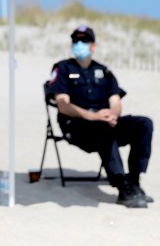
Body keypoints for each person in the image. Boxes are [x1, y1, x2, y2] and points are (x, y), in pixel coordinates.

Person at [47, 25, 153, 208]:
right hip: (78, 127)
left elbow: (115, 101)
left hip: (104, 124)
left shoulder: (104, 71)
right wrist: (92, 116)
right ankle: (122, 185)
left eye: (84, 41)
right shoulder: (63, 68)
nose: (79, 44)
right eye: (76, 41)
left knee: (143, 124)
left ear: (93, 46)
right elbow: (62, 104)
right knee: (102, 128)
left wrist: (112, 115)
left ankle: (133, 182)